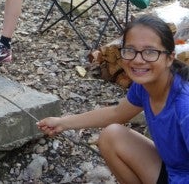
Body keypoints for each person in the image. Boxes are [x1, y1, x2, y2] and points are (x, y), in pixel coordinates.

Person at [37, 14, 189, 183]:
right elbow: (117, 113)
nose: (138, 60)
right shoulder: (145, 84)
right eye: (130, 50)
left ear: (170, 57)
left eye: (150, 52)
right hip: (174, 169)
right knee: (112, 136)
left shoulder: (185, 107)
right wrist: (61, 123)